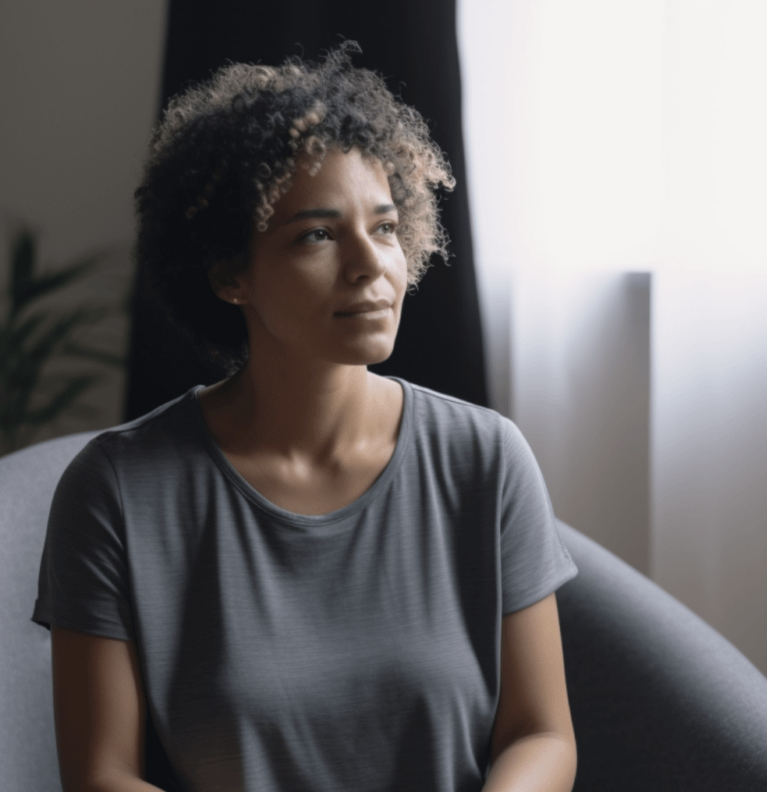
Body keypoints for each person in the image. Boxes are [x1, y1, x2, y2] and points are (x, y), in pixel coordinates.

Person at [33, 42, 579, 792]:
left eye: (385, 227)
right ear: (229, 274)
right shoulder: (118, 492)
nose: (370, 264)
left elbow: (542, 735)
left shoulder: (485, 459)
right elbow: (102, 777)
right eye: (318, 235)